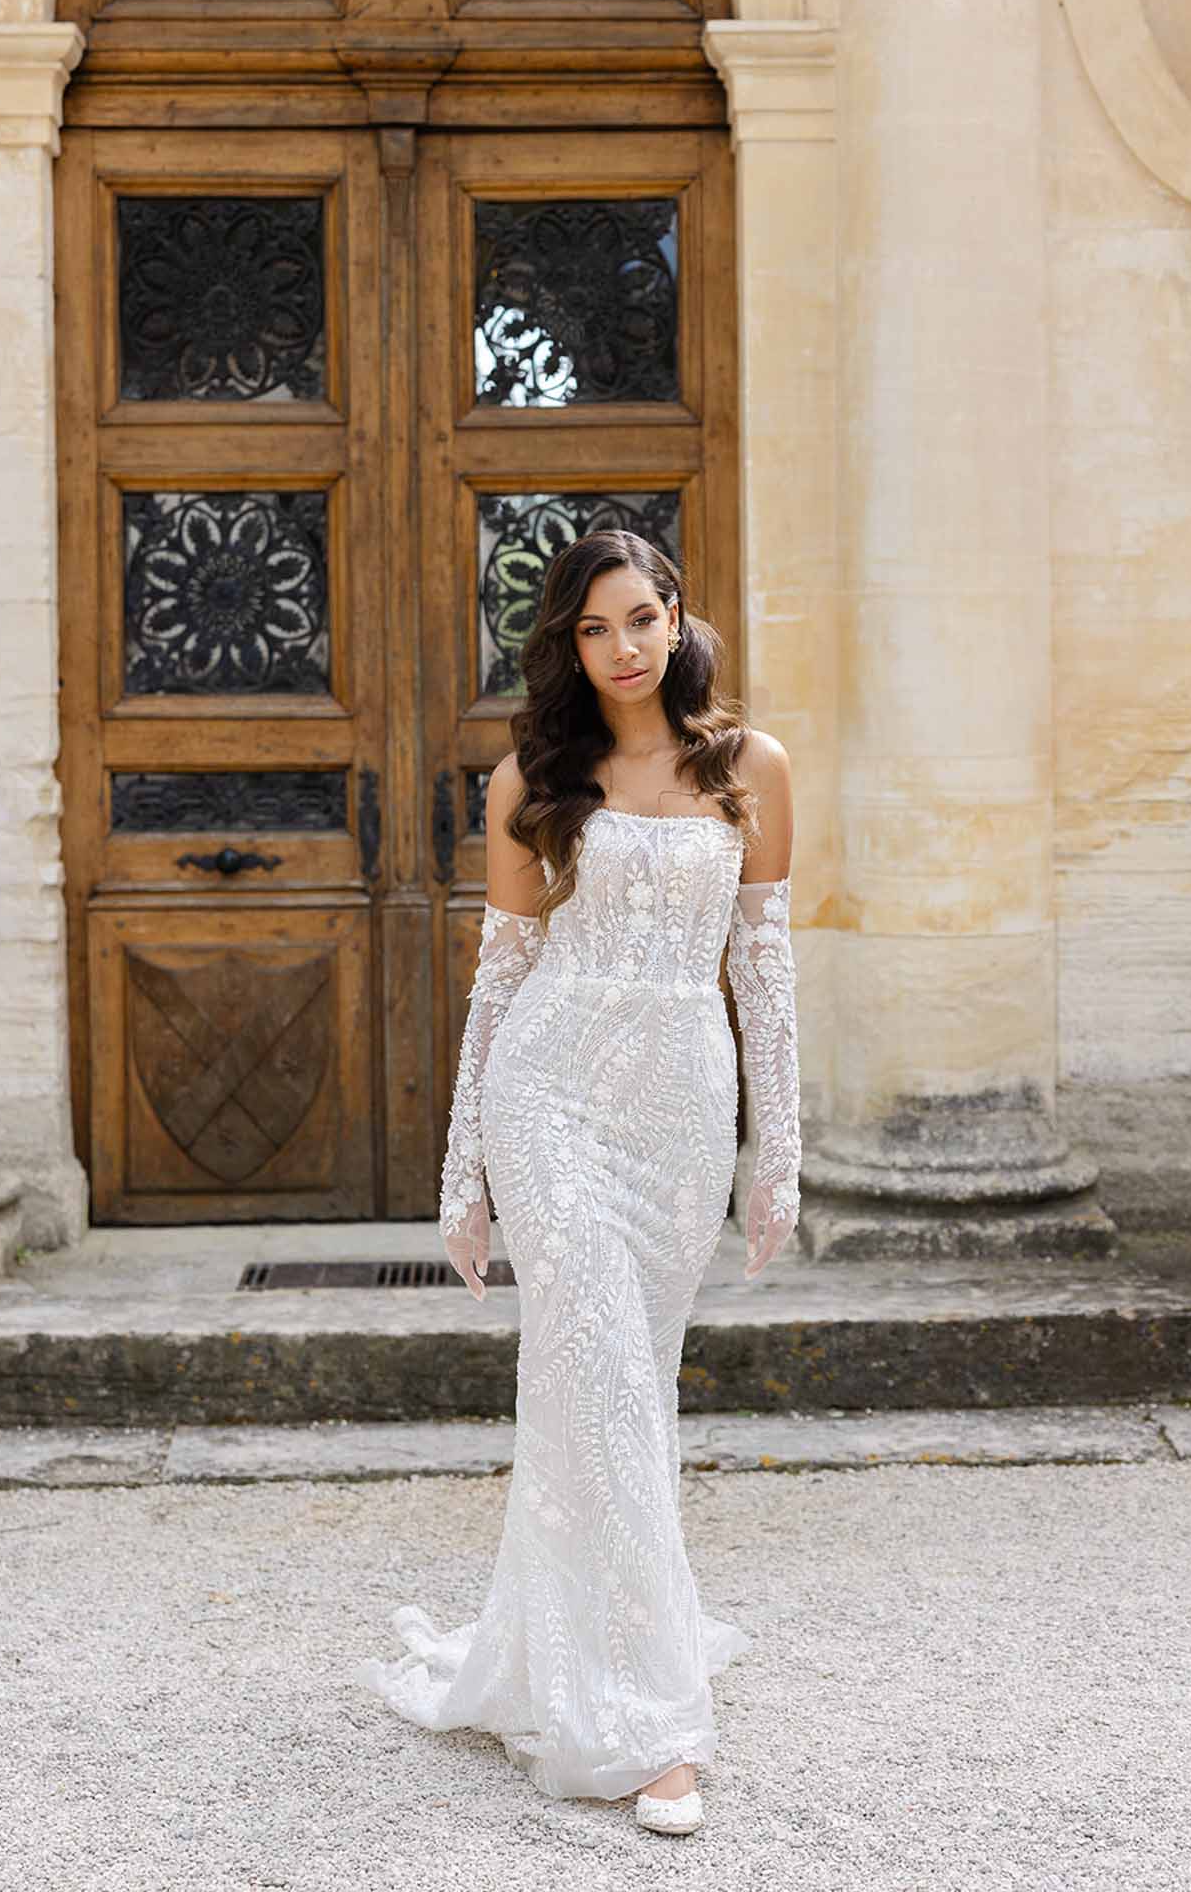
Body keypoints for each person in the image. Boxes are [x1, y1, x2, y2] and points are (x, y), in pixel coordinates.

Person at [350, 528, 801, 1836]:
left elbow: (764, 979)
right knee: (596, 1369)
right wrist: (463, 1175)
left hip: (676, 1100)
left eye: (640, 620)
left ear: (675, 617)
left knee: (615, 1386)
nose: (621, 648)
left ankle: (558, 1649)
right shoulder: (535, 776)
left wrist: (777, 1153)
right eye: (594, 630)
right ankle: (654, 1727)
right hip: (551, 1091)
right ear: (568, 643)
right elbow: (499, 978)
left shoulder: (751, 767)